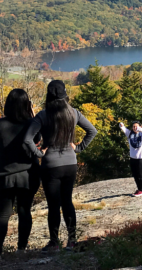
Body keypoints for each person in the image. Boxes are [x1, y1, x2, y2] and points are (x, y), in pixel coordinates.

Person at [23, 80, 97, 252]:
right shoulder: (74, 113)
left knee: (54, 205)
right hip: (70, 164)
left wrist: (39, 153)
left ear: (48, 95)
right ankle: (72, 241)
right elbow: (92, 131)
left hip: (50, 165)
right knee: (68, 202)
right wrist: (78, 148)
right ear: (65, 95)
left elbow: (27, 139)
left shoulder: (43, 115)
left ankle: (54, 242)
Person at [0, 89, 41, 259]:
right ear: (27, 105)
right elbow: (38, 139)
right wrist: (32, 115)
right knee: (24, 211)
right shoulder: (32, 125)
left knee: (3, 214)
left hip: (4, 177)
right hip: (27, 175)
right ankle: (21, 249)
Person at [120, 121, 142, 197]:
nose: (135, 128)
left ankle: (141, 190)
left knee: (140, 175)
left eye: (136, 126)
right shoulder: (130, 134)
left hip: (140, 159)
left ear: (140, 127)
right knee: (135, 175)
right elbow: (123, 128)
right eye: (134, 126)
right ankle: (138, 189)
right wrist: (121, 124)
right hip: (132, 159)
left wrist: (140, 129)